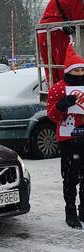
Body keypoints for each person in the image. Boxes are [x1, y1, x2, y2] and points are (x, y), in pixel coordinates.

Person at [47, 44, 84, 228]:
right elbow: (51, 115)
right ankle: (70, 212)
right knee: (70, 178)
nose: (79, 73)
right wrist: (61, 106)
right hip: (69, 141)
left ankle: (83, 210)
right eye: (76, 70)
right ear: (68, 70)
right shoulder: (57, 89)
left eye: (82, 69)